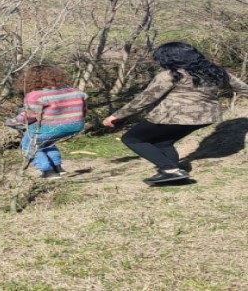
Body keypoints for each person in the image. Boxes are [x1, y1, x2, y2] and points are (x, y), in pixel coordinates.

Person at [103, 42, 248, 185]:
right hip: (206, 117)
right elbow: (244, 89)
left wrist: (117, 115)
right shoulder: (216, 72)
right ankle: (175, 175)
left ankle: (170, 170)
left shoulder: (171, 75)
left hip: (173, 116)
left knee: (132, 139)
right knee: (163, 142)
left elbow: (145, 98)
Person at [13, 65, 88, 179]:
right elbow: (84, 110)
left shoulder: (34, 95)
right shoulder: (75, 91)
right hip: (76, 125)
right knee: (46, 143)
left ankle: (47, 171)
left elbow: (30, 116)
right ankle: (58, 167)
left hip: (51, 127)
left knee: (29, 143)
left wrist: (14, 122)